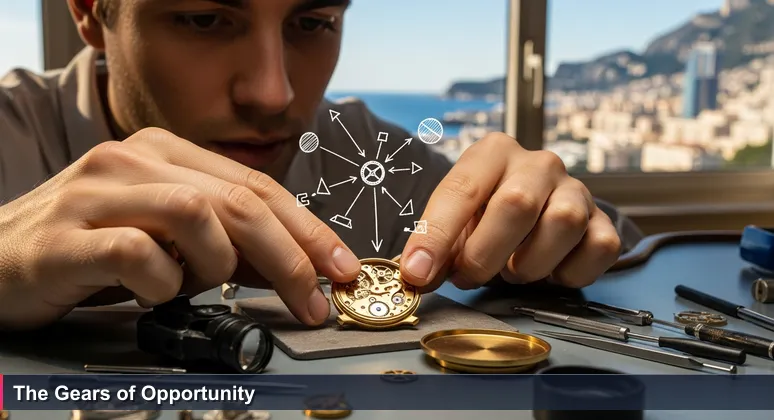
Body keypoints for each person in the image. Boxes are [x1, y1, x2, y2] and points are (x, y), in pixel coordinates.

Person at [0, 0, 641, 331]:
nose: (274, 94)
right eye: (203, 19)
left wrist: (548, 221)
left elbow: (613, 243)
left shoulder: (360, 150)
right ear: (89, 11)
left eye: (312, 22)